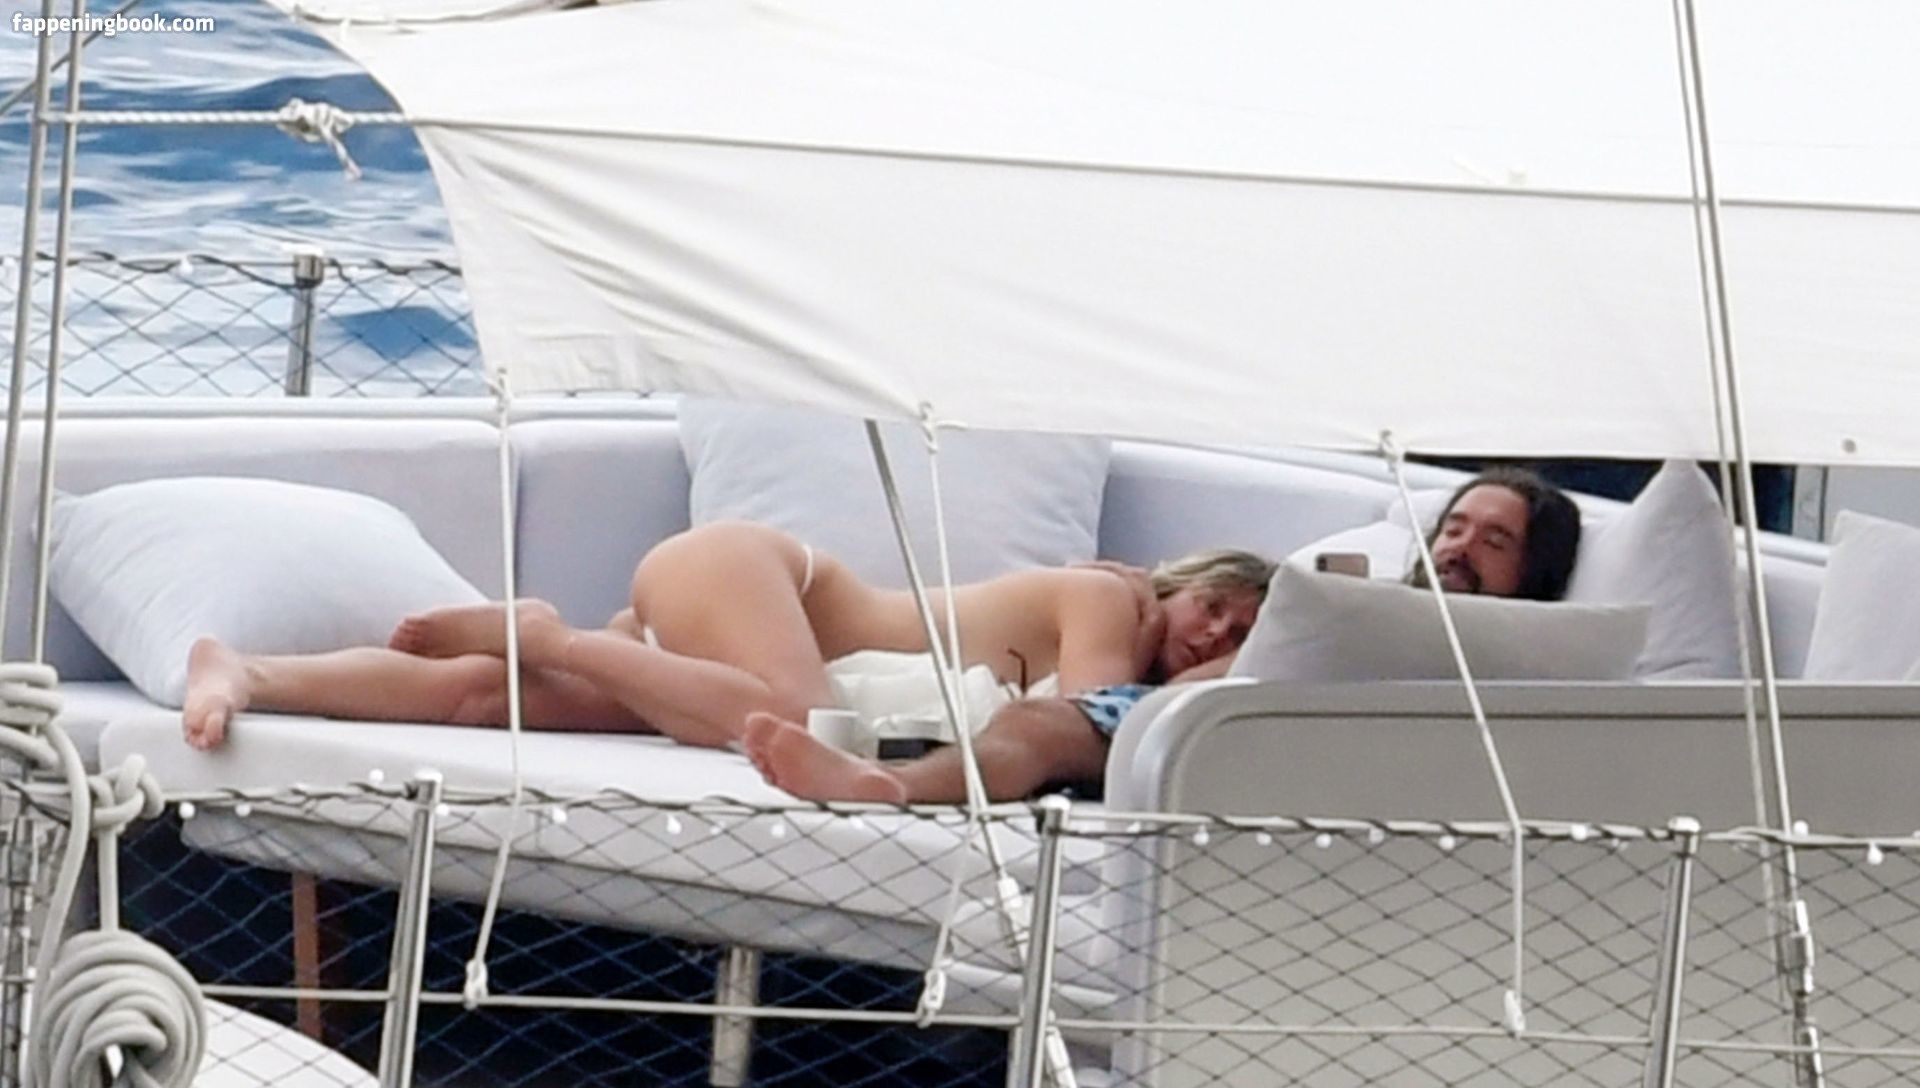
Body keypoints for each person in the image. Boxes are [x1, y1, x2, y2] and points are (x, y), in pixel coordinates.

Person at [743, 467, 1581, 805]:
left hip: (1255, 750)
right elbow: (1210, 672)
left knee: (1039, 727)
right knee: (1035, 726)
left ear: (1532, 570)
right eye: (1454, 527)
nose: (1459, 548)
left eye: (1493, 541)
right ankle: (890, 782)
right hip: (1200, 726)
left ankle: (889, 786)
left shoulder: (1511, 645)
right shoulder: (1370, 598)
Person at [180, 520, 1275, 751]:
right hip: (749, 576)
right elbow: (1087, 725)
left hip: (738, 642)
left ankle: (251, 672)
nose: (1213, 630)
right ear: (1182, 581)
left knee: (482, 697)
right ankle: (547, 633)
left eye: (1241, 633)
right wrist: (1220, 678)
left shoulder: (1153, 657)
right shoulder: (1110, 605)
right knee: (799, 721)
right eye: (1217, 604)